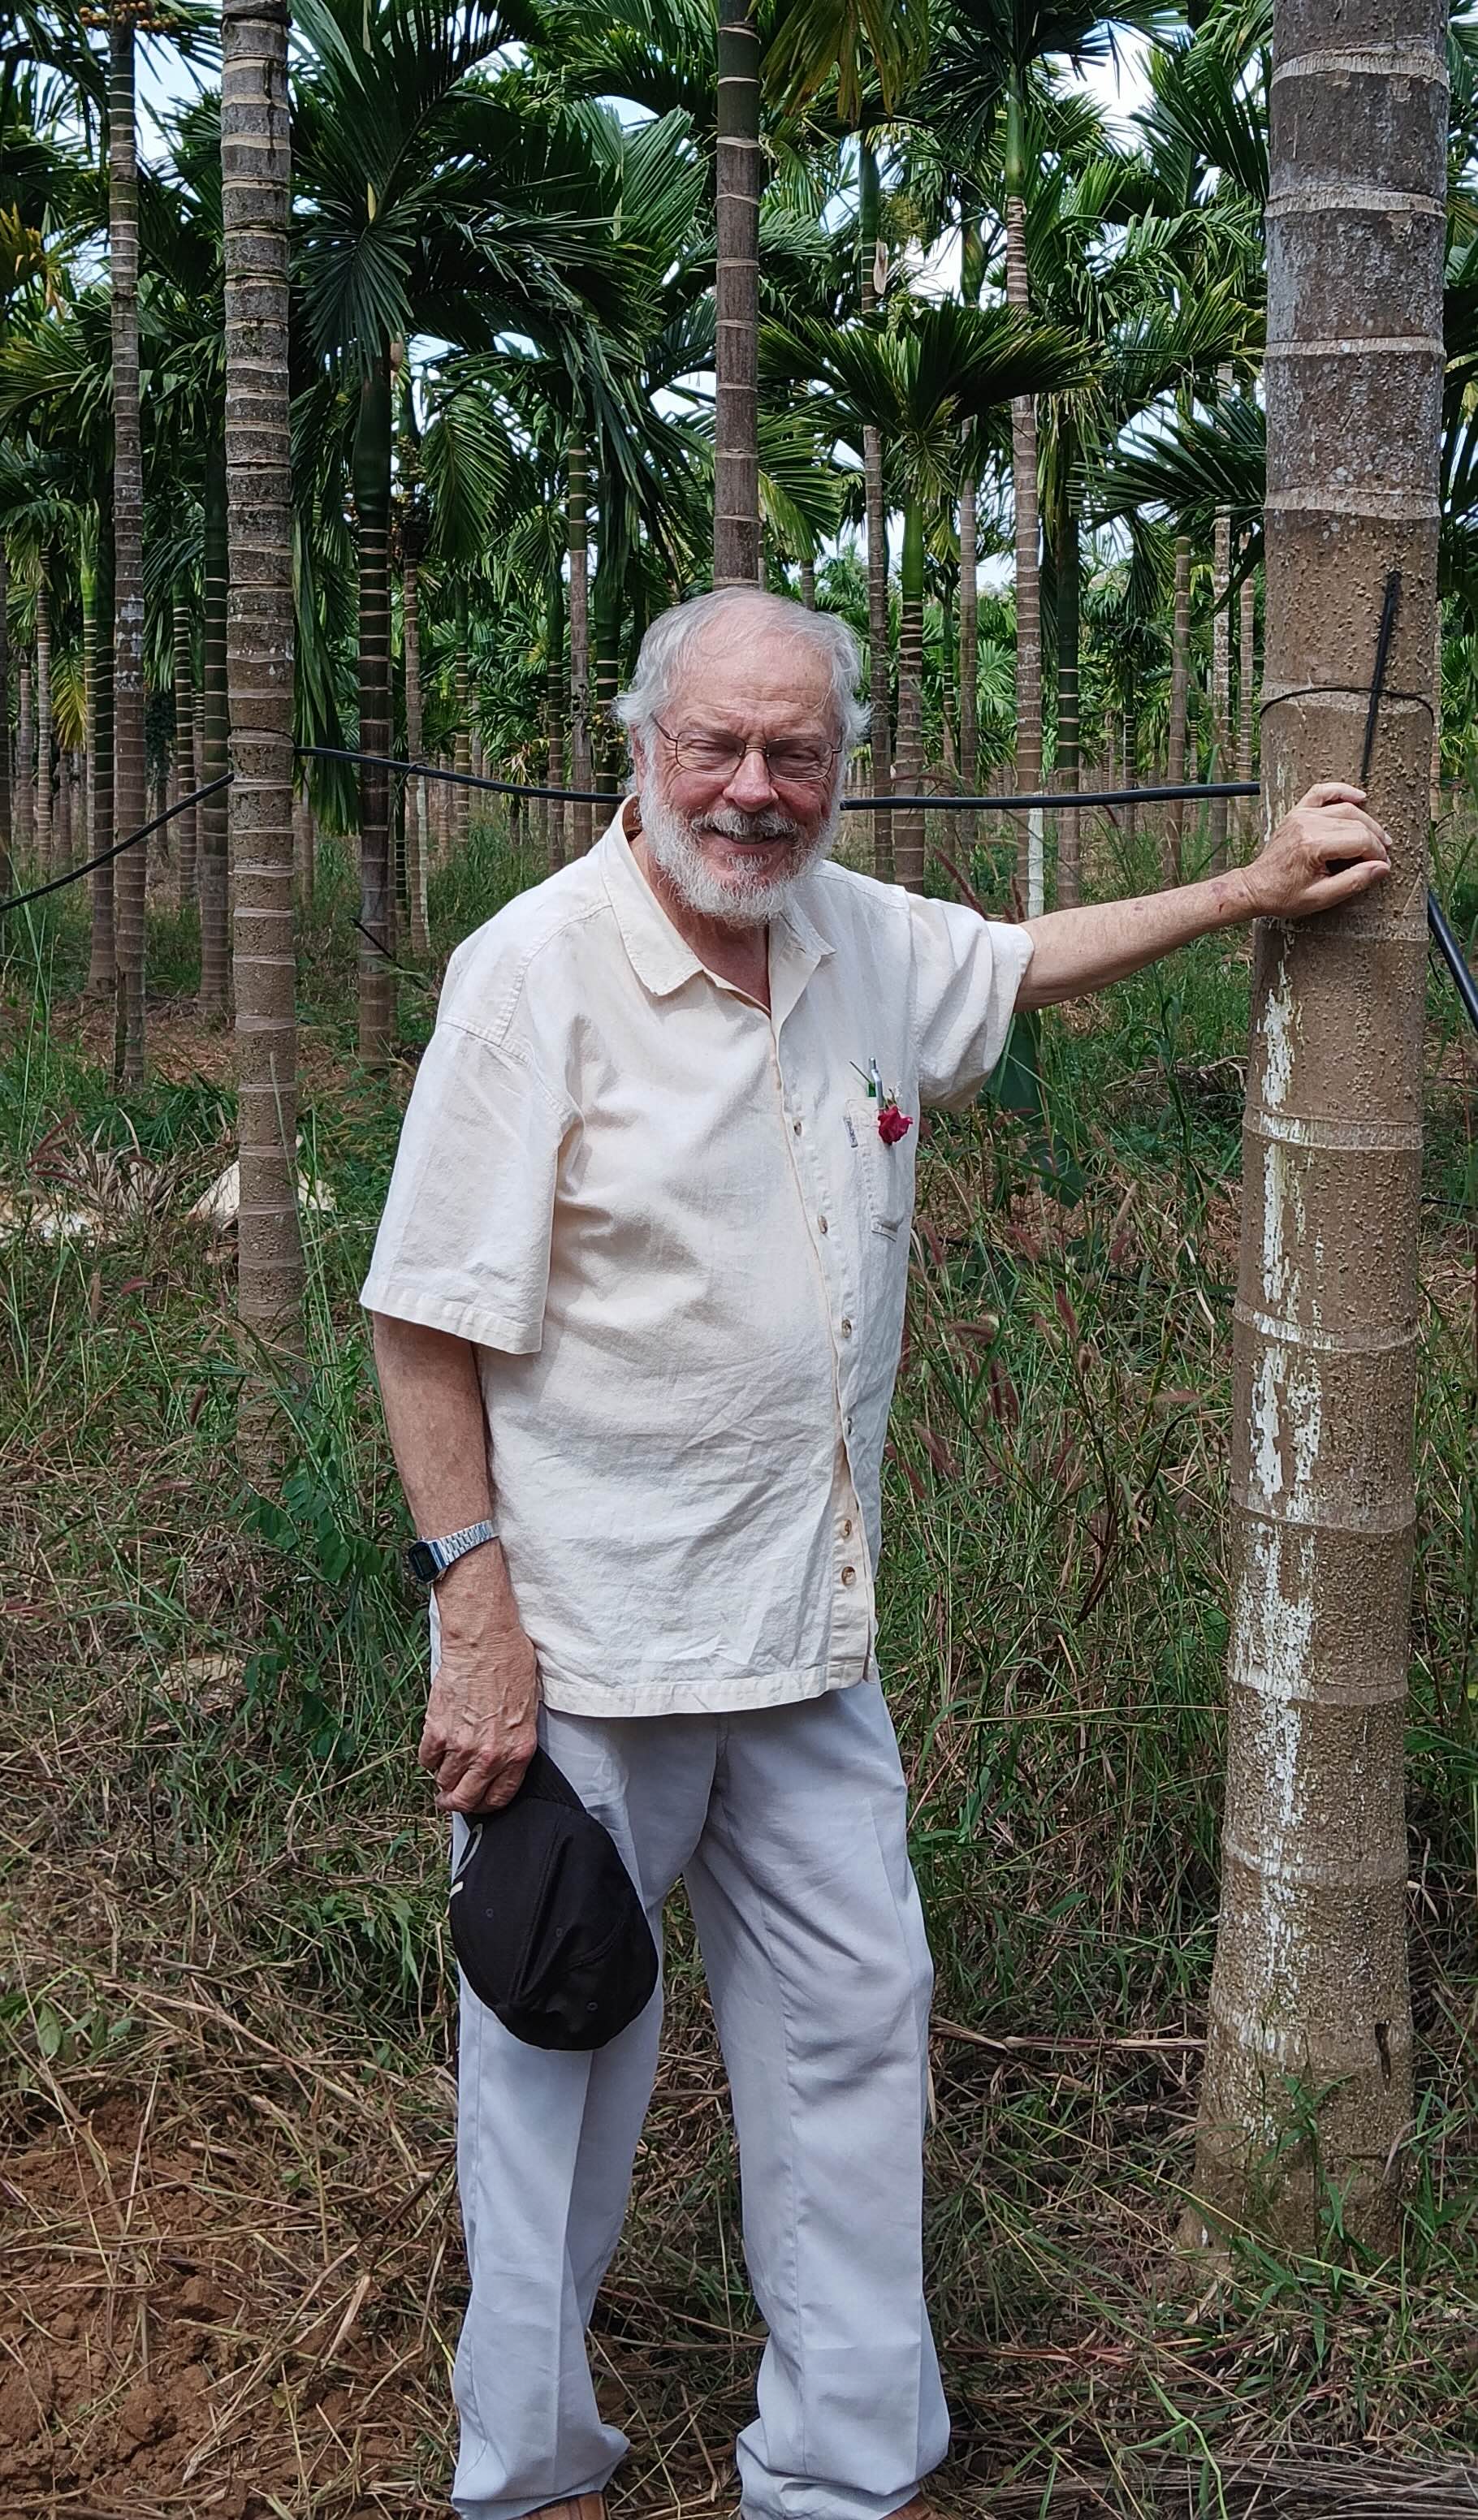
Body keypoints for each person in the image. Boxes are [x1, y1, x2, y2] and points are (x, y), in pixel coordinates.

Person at [362, 587, 1390, 2520]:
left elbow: (1021, 955)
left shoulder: (849, 935)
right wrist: (472, 1618)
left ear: (842, 764)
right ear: (642, 749)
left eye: (796, 753)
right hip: (588, 1654)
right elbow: (423, 1320)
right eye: (717, 749)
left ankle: (838, 2464)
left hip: (811, 1639)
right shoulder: (535, 973)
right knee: (552, 2069)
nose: (755, 791)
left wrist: (1249, 892)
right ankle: (527, 2465)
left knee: (851, 2041)